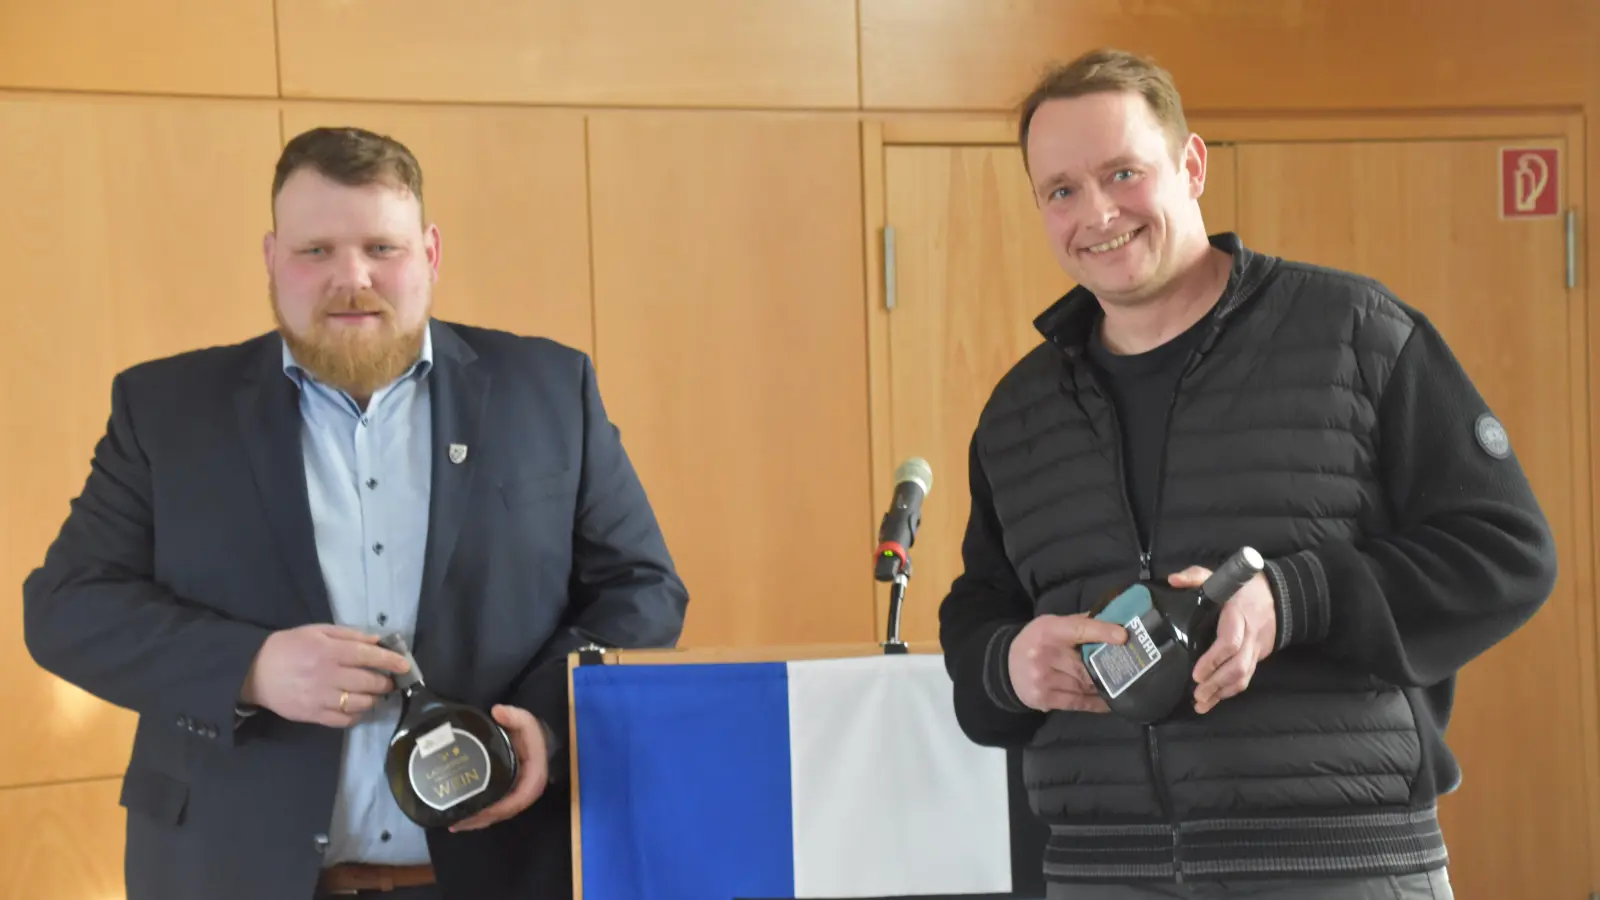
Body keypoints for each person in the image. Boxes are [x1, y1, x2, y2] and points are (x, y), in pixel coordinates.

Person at [938, 48, 1557, 900]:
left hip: (1333, 867)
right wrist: (1008, 664)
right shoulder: (1019, 414)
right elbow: (980, 607)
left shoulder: (1356, 334)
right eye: (1062, 190)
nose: (1098, 212)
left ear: (1191, 167)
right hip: (1099, 872)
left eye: (1123, 173)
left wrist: (1293, 599)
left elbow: (1506, 551)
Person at [22, 126, 690, 900]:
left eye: (381, 248)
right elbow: (66, 608)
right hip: (234, 877)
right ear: (272, 259)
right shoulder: (166, 410)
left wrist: (548, 725)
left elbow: (642, 590)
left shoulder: (548, 389)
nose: (352, 278)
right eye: (316, 251)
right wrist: (250, 667)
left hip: (505, 873)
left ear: (429, 255)